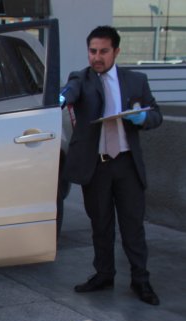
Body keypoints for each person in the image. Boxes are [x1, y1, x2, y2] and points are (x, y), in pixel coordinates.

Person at [61, 25, 162, 305]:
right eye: (93, 51)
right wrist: (60, 98)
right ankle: (104, 275)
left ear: (116, 51)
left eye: (104, 51)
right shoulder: (81, 78)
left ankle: (141, 280)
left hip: (127, 165)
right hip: (98, 165)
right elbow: (70, 91)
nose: (97, 57)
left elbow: (156, 115)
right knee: (101, 225)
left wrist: (143, 119)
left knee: (133, 227)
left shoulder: (136, 80)